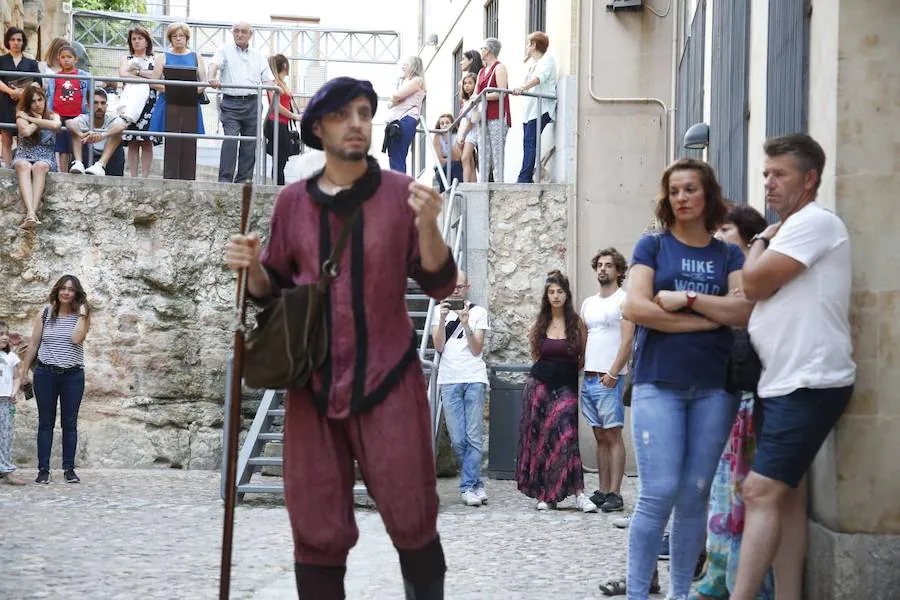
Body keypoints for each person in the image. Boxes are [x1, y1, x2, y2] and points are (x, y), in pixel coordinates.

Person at [223, 76, 456, 600]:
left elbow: (440, 283)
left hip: (390, 381)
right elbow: (271, 291)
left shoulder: (402, 195)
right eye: (345, 114)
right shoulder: (292, 204)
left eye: (365, 113)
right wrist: (248, 269)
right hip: (313, 385)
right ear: (319, 127)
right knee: (316, 526)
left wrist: (428, 226)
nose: (357, 123)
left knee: (413, 515)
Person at [730, 135, 855, 600]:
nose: (768, 183)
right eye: (766, 174)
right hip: (782, 381)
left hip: (808, 381)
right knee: (787, 499)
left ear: (810, 179)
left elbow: (755, 283)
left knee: (760, 492)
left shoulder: (813, 222)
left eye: (779, 174)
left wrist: (761, 236)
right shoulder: (798, 226)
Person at [621, 158, 752, 599]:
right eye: (674, 191)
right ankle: (639, 593)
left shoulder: (728, 253)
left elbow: (743, 310)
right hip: (658, 383)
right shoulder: (653, 247)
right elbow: (636, 308)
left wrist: (686, 299)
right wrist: (706, 322)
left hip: (714, 387)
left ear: (707, 194)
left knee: (695, 494)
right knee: (658, 492)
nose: (682, 198)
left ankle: (680, 594)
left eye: (690, 189)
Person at [694, 203, 775, 600]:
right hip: (725, 399)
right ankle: (718, 573)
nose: (718, 237)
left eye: (725, 230)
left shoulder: (756, 286)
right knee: (723, 494)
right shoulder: (726, 283)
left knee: (743, 495)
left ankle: (744, 583)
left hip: (752, 401)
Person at [515, 270, 598, 514]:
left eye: (559, 291)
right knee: (544, 439)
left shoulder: (576, 323)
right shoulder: (541, 323)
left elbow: (582, 357)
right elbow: (535, 353)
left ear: (566, 294)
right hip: (540, 385)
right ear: (546, 296)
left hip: (566, 384)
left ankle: (579, 493)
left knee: (567, 435)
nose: (555, 296)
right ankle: (547, 494)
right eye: (551, 292)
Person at [20, 275, 91, 485]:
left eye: (71, 289)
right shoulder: (45, 313)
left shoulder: (81, 316)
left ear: (76, 293)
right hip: (45, 375)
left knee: (69, 423)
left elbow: (76, 339)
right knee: (45, 423)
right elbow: (33, 345)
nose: (66, 292)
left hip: (73, 376)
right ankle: (43, 470)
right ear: (57, 291)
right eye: (63, 288)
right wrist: (24, 373)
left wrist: (84, 313)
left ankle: (69, 469)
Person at [581, 247, 633, 513]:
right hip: (589, 377)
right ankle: (602, 490)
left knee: (613, 434)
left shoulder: (624, 300)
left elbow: (627, 341)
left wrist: (614, 373)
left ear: (619, 271)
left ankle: (615, 492)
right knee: (599, 434)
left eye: (609, 265)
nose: (602, 269)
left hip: (609, 377)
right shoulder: (588, 303)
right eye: (599, 264)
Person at [431, 270, 490, 507]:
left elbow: (477, 349)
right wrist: (444, 319)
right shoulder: (438, 311)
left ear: (468, 287)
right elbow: (438, 346)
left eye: (460, 287)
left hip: (474, 377)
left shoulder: (478, 312)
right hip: (449, 379)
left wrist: (465, 324)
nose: (455, 291)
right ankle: (475, 484)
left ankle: (467, 487)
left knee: (473, 435)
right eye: (451, 286)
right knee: (458, 439)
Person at [207, 21, 275, 184]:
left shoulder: (258, 55)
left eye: (243, 31)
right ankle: (225, 179)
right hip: (231, 102)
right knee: (230, 139)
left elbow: (268, 79)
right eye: (236, 31)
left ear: (250, 35)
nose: (239, 34)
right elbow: (213, 65)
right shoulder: (224, 50)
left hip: (252, 102)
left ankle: (244, 180)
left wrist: (272, 86)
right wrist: (212, 77)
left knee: (249, 143)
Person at [149, 21, 207, 180]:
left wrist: (189, 91)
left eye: (181, 36)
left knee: (189, 142)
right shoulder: (163, 56)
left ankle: (189, 179)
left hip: (190, 104)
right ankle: (169, 178)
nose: (178, 39)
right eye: (174, 36)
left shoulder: (196, 56)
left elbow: (203, 82)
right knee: (172, 142)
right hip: (170, 103)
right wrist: (172, 89)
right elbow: (154, 82)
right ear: (170, 38)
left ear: (187, 37)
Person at [13, 83, 60, 229]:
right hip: (24, 154)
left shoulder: (53, 115)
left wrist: (34, 120)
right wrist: (40, 122)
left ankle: (31, 214)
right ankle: (31, 213)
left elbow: (56, 126)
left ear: (45, 100)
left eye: (40, 100)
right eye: (33, 101)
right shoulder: (21, 116)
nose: (37, 104)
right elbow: (25, 132)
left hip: (45, 156)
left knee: (40, 166)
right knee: (23, 165)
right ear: (27, 103)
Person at [512, 31, 557, 184]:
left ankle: (524, 178)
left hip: (542, 108)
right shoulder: (533, 64)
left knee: (530, 141)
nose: (526, 47)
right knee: (528, 142)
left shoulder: (547, 60)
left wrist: (523, 87)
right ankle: (527, 176)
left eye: (528, 44)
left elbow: (540, 78)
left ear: (534, 45)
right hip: (531, 111)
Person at [118, 25, 160, 178]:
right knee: (132, 140)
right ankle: (133, 176)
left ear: (147, 41)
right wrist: (144, 79)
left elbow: (158, 77)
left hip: (151, 103)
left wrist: (135, 73)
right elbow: (123, 74)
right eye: (133, 39)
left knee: (147, 140)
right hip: (131, 103)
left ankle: (145, 177)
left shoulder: (156, 59)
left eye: (140, 38)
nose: (136, 41)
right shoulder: (126, 58)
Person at [0, 27, 41, 168]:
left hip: (24, 105)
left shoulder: (31, 63)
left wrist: (22, 94)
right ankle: (7, 168)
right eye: (13, 39)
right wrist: (11, 92)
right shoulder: (1, 60)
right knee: (6, 137)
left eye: (19, 40)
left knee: (23, 137)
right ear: (8, 41)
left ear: (23, 42)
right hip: (5, 103)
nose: (16, 43)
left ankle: (20, 166)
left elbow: (37, 83)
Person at [46, 44, 89, 174]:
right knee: (62, 148)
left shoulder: (83, 76)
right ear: (59, 59)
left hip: (77, 115)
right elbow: (50, 95)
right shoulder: (55, 77)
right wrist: (51, 112)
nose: (66, 60)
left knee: (78, 144)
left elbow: (89, 94)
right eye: (63, 57)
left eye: (69, 57)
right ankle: (63, 172)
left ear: (75, 59)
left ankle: (79, 166)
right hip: (60, 116)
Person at [66, 88, 125, 177]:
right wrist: (81, 134)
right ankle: (78, 163)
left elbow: (122, 125)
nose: (100, 107)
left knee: (117, 133)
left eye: (103, 103)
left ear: (106, 106)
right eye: (95, 103)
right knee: (75, 131)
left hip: (108, 161)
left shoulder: (111, 117)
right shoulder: (84, 118)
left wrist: (103, 135)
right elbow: (69, 123)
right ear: (88, 106)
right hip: (88, 156)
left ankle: (100, 165)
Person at [474, 38, 510, 182]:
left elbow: (502, 92)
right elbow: (476, 93)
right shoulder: (482, 71)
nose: (480, 51)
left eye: (482, 48)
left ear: (488, 50)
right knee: (483, 150)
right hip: (483, 116)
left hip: (497, 114)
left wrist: (483, 97)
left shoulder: (499, 68)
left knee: (497, 150)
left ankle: (499, 181)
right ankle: (483, 181)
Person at [384, 56, 426, 174]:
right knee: (394, 157)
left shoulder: (417, 80)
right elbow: (391, 103)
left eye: (406, 64)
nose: (403, 67)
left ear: (413, 66)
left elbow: (396, 96)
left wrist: (396, 97)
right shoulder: (406, 82)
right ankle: (398, 187)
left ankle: (400, 189)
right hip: (397, 120)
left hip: (405, 120)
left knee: (398, 157)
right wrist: (396, 98)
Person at [264, 53, 301, 185]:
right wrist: (294, 116)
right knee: (280, 158)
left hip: (282, 124)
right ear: (285, 65)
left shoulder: (281, 83)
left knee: (282, 157)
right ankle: (278, 187)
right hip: (276, 123)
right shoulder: (273, 83)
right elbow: (276, 106)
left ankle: (279, 185)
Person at [0, 321, 25, 486]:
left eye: (6, 334)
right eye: (1, 333)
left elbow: (17, 378)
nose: (4, 337)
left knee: (5, 437)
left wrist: (14, 392)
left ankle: (7, 471)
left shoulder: (10, 357)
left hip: (5, 402)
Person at [454, 50, 483, 183]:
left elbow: (473, 118)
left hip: (471, 130)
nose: (466, 86)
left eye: (470, 83)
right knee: (469, 159)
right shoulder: (466, 100)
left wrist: (464, 134)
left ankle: (467, 184)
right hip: (466, 129)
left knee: (466, 157)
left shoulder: (474, 99)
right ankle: (472, 182)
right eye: (465, 84)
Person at [431, 113, 463, 192]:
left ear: (452, 124)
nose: (445, 125)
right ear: (439, 126)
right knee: (441, 173)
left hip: (456, 163)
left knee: (456, 166)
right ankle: (446, 194)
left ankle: (458, 191)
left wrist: (448, 142)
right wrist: (451, 159)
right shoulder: (437, 137)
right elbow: (440, 160)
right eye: (442, 124)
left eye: (447, 123)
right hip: (442, 165)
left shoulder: (457, 135)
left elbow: (458, 157)